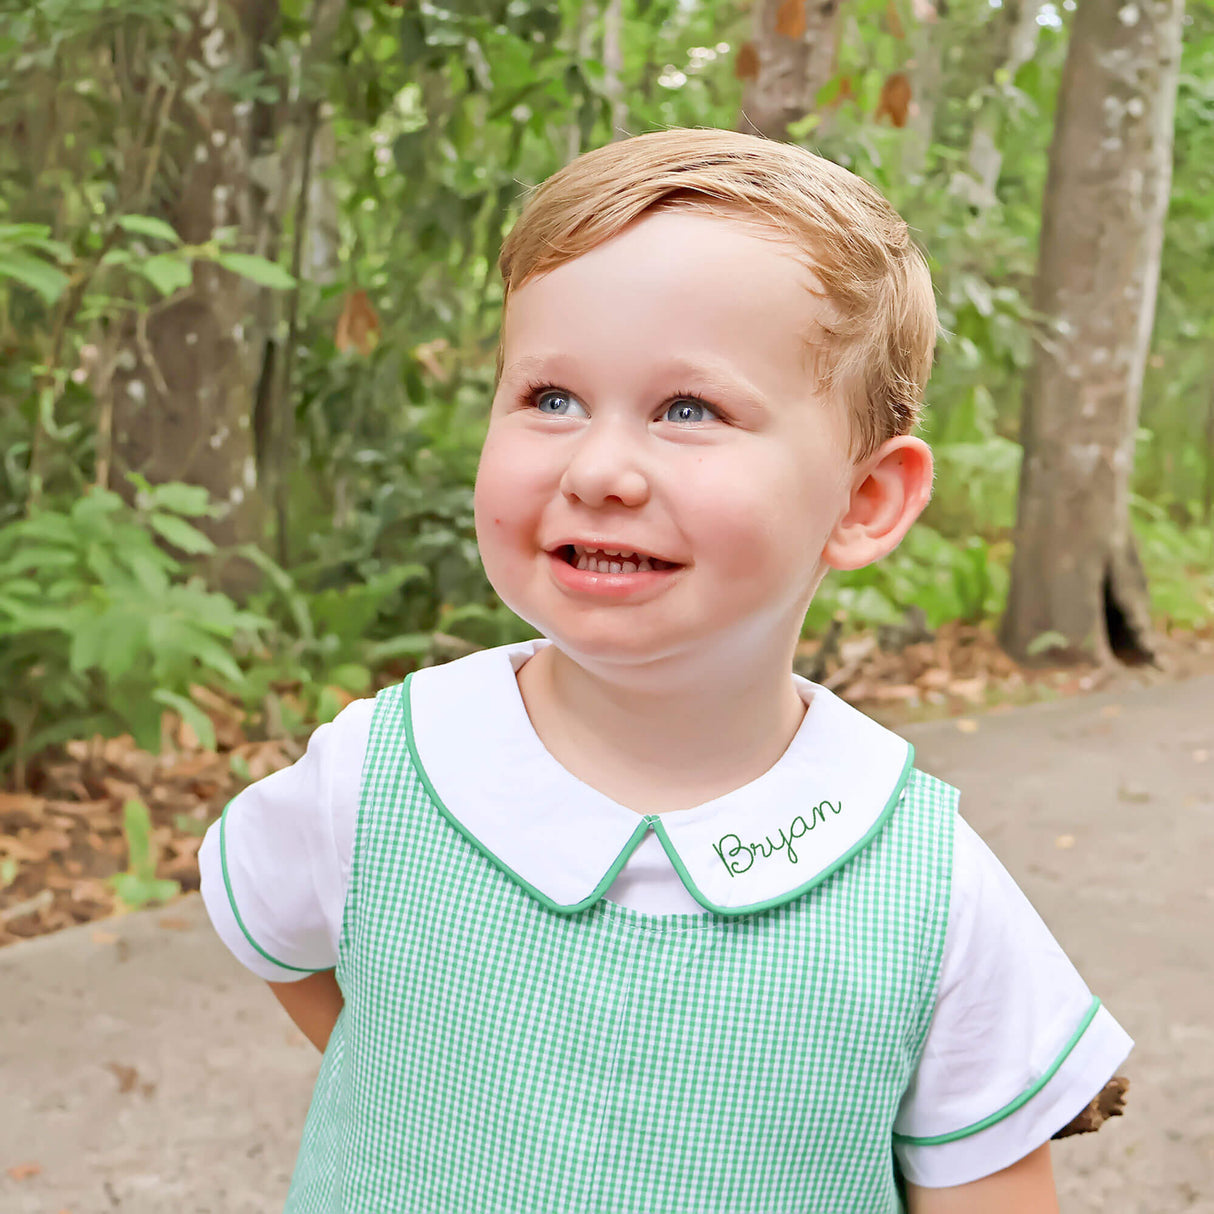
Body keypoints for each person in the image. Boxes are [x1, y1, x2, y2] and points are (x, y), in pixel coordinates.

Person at [199, 127, 1132, 1212]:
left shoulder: (921, 889)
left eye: (688, 409)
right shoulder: (381, 774)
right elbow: (303, 959)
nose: (597, 468)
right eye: (549, 397)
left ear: (863, 500)